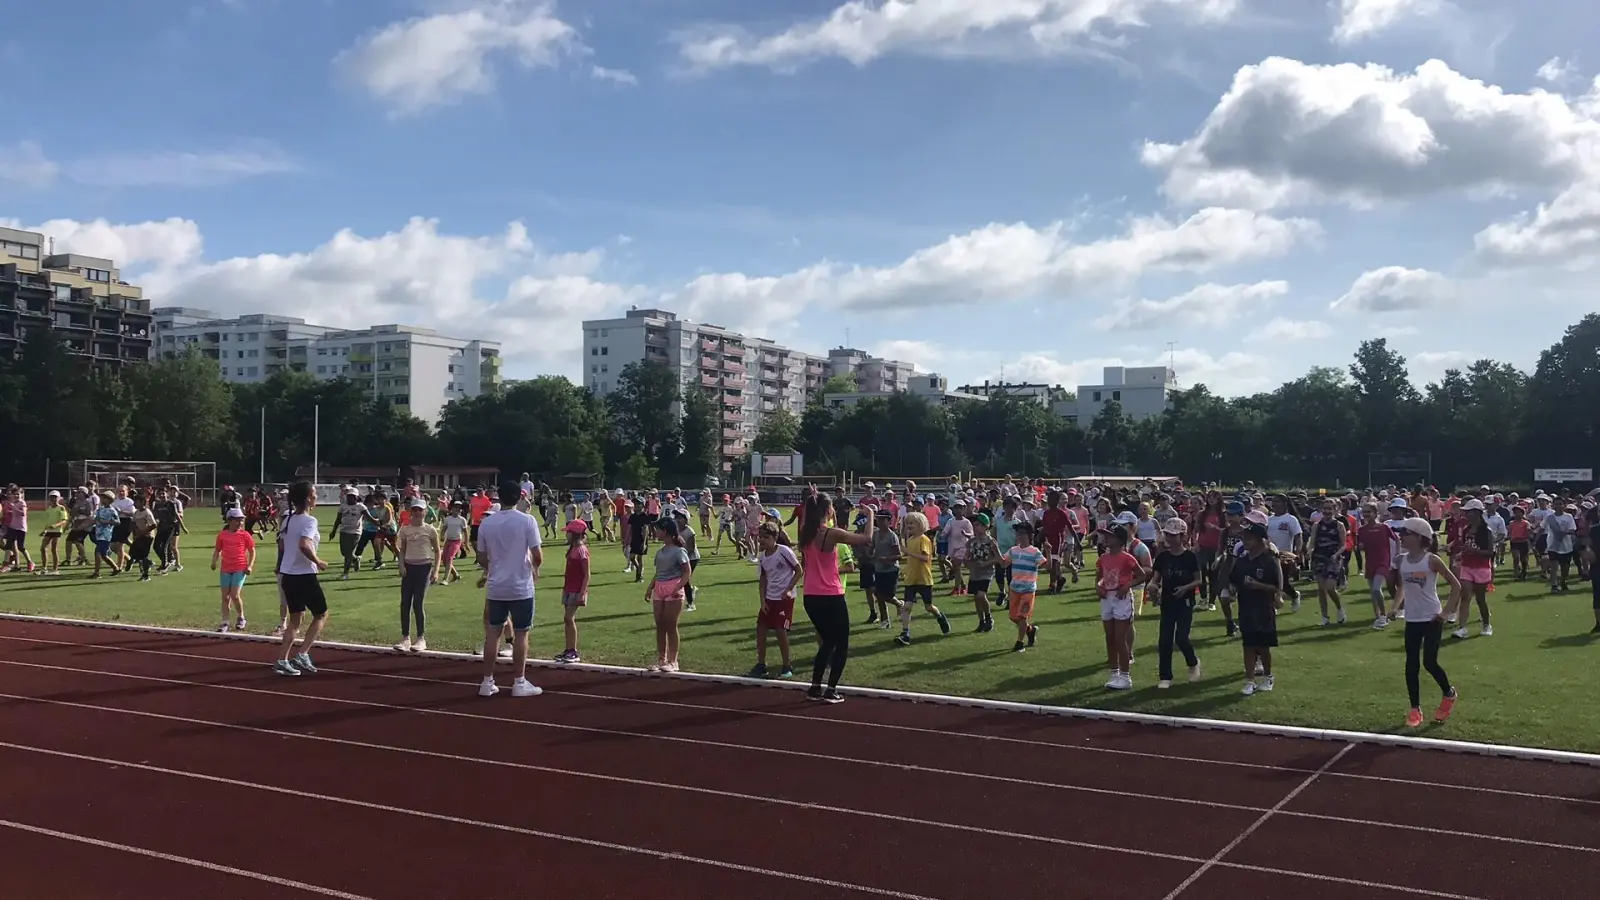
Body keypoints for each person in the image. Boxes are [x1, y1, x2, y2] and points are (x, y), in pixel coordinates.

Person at [797, 493, 876, 703]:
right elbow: (866, 539)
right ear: (828, 510)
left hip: (810, 596)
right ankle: (831, 689)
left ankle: (815, 687)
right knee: (840, 644)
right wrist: (871, 515)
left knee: (827, 642)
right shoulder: (830, 534)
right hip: (830, 595)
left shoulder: (805, 532)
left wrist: (812, 497)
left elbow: (807, 516)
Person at [475, 480, 543, 697]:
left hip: (497, 586)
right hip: (521, 585)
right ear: (519, 497)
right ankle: (519, 682)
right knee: (522, 634)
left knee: (493, 633)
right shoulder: (527, 521)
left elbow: (481, 557)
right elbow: (538, 555)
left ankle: (487, 681)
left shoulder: (487, 523)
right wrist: (533, 568)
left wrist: (494, 568)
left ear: (498, 497)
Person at [1393, 517, 1461, 726]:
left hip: (1432, 617)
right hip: (1412, 618)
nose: (1401, 537)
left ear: (1419, 537)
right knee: (1411, 663)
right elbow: (1403, 587)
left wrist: (1446, 613)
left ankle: (1449, 693)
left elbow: (1456, 586)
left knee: (1429, 662)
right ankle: (1415, 709)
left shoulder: (1431, 560)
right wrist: (1395, 607)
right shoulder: (1401, 560)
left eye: (1406, 533)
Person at [274, 482, 330, 677]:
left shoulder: (287, 520)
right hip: (304, 574)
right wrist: (319, 561)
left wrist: (280, 566)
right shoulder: (310, 521)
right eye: (314, 493)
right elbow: (304, 544)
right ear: (308, 498)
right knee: (322, 614)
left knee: (296, 619)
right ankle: (302, 654)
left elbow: (281, 546)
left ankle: (282, 660)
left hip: (287, 575)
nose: (316, 496)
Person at [1231, 522, 1285, 695]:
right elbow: (1235, 580)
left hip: (1263, 608)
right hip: (1245, 606)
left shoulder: (1269, 561)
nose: (1246, 541)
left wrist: (1258, 585)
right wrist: (1233, 587)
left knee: (1262, 646)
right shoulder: (1242, 560)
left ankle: (1268, 676)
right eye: (1245, 538)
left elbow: (1275, 587)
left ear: (1260, 540)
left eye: (1250, 538)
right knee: (1248, 644)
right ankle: (1250, 680)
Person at [1150, 517, 1202, 688]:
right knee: (1164, 640)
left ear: (1182, 536)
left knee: (1182, 638)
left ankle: (1193, 663)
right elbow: (1156, 578)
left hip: (1185, 602)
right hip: (1167, 602)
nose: (1170, 538)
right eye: (1168, 535)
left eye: (1173, 535)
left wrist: (1185, 588)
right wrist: (1153, 586)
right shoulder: (1163, 557)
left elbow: (1198, 580)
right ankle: (1165, 676)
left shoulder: (1189, 557)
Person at [1095, 526, 1146, 689]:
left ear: (1119, 539)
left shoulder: (1127, 558)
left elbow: (1142, 575)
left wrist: (1127, 586)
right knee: (1109, 637)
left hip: (1121, 598)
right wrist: (1099, 587)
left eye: (1109, 536)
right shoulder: (1103, 558)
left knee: (1119, 638)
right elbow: (1099, 577)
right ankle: (1114, 673)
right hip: (1107, 598)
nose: (1106, 539)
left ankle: (1125, 676)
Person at [750, 521, 800, 678]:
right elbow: (763, 579)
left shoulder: (784, 551)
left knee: (780, 631)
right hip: (769, 598)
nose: (762, 540)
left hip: (784, 598)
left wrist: (788, 589)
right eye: (760, 537)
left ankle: (787, 665)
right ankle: (761, 664)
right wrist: (762, 600)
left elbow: (799, 570)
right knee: (761, 630)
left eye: (765, 537)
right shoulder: (762, 557)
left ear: (775, 537)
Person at [644, 517, 694, 673]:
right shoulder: (660, 553)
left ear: (665, 531)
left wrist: (678, 587)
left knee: (671, 625)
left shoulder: (679, 552)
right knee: (660, 625)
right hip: (660, 588)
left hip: (673, 588)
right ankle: (661, 659)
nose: (655, 532)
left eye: (658, 529)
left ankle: (673, 661)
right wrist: (650, 587)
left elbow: (687, 572)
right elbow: (658, 573)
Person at [395, 498, 441, 652]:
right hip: (409, 567)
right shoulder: (405, 530)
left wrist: (436, 570)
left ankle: (421, 638)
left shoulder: (430, 529)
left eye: (420, 510)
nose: (417, 512)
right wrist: (401, 565)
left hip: (424, 568)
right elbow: (402, 550)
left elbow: (437, 551)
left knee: (418, 602)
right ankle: (405, 638)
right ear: (411, 511)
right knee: (405, 603)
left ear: (425, 512)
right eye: (414, 510)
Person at [211, 507, 256, 633]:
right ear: (229, 521)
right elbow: (217, 550)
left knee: (235, 595)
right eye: (237, 520)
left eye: (241, 520)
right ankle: (225, 622)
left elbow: (252, 551)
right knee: (225, 597)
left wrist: (250, 566)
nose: (240, 523)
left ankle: (241, 617)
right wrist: (214, 562)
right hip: (226, 568)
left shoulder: (245, 535)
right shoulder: (222, 535)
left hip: (240, 568)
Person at [1003, 520, 1045, 653]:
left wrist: (1048, 552)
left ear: (1029, 535)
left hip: (1028, 589)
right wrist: (994, 550)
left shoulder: (1035, 552)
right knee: (1013, 617)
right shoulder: (1013, 550)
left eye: (1022, 533)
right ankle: (1031, 630)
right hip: (1015, 588)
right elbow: (1004, 563)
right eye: (1018, 533)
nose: (1019, 536)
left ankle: (1019, 642)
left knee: (1022, 617)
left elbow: (1046, 566)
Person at [556, 519, 590, 663]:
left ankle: (573, 651)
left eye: (568, 532)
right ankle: (568, 649)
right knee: (568, 619)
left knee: (568, 618)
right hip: (569, 588)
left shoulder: (582, 551)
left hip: (576, 589)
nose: (567, 535)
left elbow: (587, 574)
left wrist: (582, 593)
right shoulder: (573, 550)